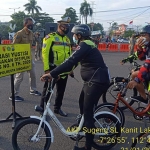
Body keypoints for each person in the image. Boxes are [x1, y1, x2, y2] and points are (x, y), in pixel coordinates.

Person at [40, 24, 110, 150]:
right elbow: (74, 63)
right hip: (93, 80)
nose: (73, 36)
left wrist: (51, 73)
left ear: (79, 35)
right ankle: (85, 128)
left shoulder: (85, 44)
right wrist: (60, 74)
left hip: (96, 81)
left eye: (74, 34)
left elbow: (70, 61)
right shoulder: (87, 44)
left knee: (88, 113)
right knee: (81, 103)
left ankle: (87, 146)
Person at [40, 17, 72, 117]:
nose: (67, 27)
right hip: (52, 69)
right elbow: (44, 54)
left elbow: (70, 55)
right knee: (48, 91)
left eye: (68, 26)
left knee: (61, 91)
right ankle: (42, 111)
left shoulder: (67, 39)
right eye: (65, 26)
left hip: (64, 69)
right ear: (60, 26)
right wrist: (46, 70)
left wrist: (70, 69)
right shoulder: (50, 37)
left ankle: (57, 108)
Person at [9, 17, 41, 102]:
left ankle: (33, 90)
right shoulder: (19, 34)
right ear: (25, 24)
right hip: (21, 59)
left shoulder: (31, 33)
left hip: (29, 58)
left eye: (32, 24)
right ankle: (13, 95)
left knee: (33, 75)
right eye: (29, 24)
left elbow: (36, 41)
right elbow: (13, 46)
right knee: (19, 77)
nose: (31, 26)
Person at [123, 25, 150, 104]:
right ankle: (144, 98)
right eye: (140, 35)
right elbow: (142, 58)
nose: (141, 37)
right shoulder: (147, 46)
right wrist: (139, 48)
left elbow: (148, 63)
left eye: (144, 35)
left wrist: (136, 81)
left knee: (137, 77)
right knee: (134, 74)